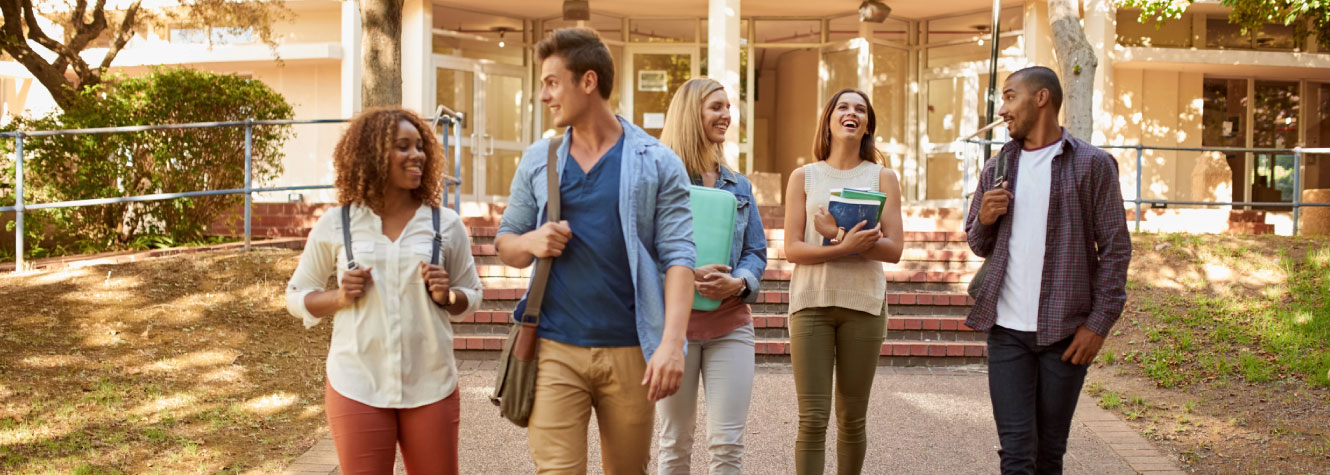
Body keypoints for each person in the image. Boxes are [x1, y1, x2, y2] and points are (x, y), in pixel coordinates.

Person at [494, 27, 695, 474]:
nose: (543, 94)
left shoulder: (657, 161)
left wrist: (672, 344)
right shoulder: (539, 159)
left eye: (551, 82)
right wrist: (531, 241)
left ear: (588, 81)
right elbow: (506, 242)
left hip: (630, 350)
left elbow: (680, 256)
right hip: (554, 347)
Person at [284, 107, 482, 475]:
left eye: (420, 146)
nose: (417, 155)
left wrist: (447, 296)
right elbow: (297, 295)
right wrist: (339, 298)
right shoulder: (337, 223)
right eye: (402, 147)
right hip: (357, 382)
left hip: (431, 384)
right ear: (373, 155)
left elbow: (471, 293)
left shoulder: (446, 224)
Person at [965, 66, 1131, 475]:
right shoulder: (997, 168)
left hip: (1066, 333)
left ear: (1041, 98)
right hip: (1007, 333)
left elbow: (1115, 250)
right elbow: (976, 242)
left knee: (1050, 454)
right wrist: (984, 218)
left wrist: (1098, 324)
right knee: (1017, 454)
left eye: (1009, 97)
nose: (1002, 109)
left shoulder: (1092, 165)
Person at [783, 88, 904, 475]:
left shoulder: (882, 176)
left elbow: (895, 249)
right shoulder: (803, 176)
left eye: (861, 109)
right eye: (843, 107)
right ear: (830, 119)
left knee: (852, 419)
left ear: (867, 123)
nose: (852, 113)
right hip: (811, 304)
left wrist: (837, 236)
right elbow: (793, 250)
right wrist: (845, 244)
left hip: (864, 306)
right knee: (813, 419)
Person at [655, 77, 767, 475]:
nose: (726, 115)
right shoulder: (660, 182)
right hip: (673, 331)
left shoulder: (739, 185)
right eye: (716, 107)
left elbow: (755, 252)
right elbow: (642, 250)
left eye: (727, 107)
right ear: (692, 114)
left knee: (727, 444)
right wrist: (683, 272)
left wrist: (739, 283)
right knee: (674, 442)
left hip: (730, 326)